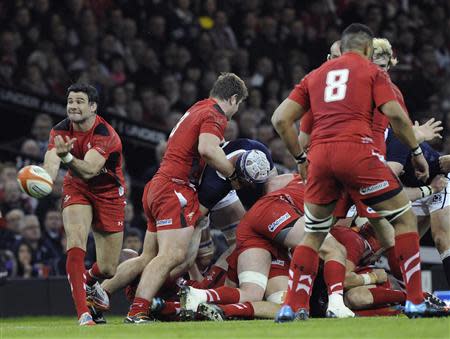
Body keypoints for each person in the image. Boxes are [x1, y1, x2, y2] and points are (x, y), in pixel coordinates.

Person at [272, 23, 443, 321]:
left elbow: (281, 119)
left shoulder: (315, 77)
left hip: (322, 159)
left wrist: (301, 158)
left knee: (314, 233)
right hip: (361, 157)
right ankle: (414, 299)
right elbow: (396, 116)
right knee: (403, 220)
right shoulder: (375, 75)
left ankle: (291, 304)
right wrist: (416, 149)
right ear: (367, 50)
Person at [121, 73, 248, 323]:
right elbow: (207, 149)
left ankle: (99, 291)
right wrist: (234, 175)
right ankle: (138, 311)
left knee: (152, 257)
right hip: (175, 188)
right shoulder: (215, 114)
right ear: (233, 98)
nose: (236, 111)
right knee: (172, 256)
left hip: (160, 184)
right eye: (239, 104)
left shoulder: (197, 107)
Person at [43, 83, 126, 326]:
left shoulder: (105, 134)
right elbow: (50, 165)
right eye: (70, 101)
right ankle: (84, 314)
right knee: (76, 240)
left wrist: (67, 157)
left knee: (109, 268)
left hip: (109, 193)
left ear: (93, 107)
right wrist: (42, 181)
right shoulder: (59, 130)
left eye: (80, 101)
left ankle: (87, 279)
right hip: (77, 188)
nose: (73, 106)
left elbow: (90, 169)